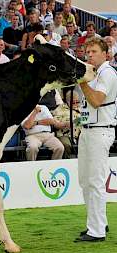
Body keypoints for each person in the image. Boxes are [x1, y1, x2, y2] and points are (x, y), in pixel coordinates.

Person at [74, 38, 117, 242]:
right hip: (88, 129)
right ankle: (98, 223)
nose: (89, 55)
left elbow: (96, 101)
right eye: (87, 51)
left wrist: (81, 81)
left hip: (100, 131)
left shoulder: (108, 73)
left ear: (105, 54)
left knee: (96, 181)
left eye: (93, 51)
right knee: (85, 180)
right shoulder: (94, 73)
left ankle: (97, 231)